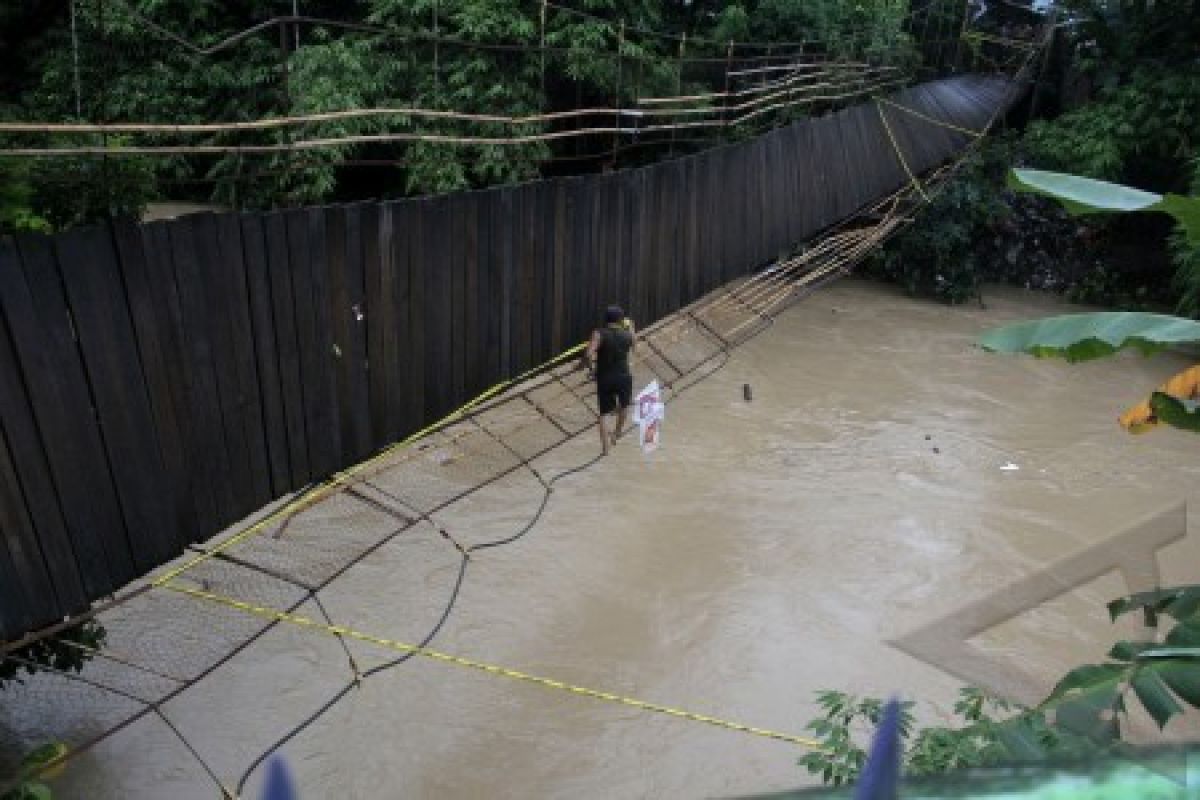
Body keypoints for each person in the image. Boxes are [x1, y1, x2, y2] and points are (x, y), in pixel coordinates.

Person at [586, 305, 636, 455]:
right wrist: (632, 328)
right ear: (621, 320)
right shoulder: (627, 334)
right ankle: (617, 433)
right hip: (623, 376)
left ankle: (605, 449)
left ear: (606, 319)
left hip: (605, 377)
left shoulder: (598, 333)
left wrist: (592, 370)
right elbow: (635, 346)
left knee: (604, 414)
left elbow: (588, 354)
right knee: (624, 405)